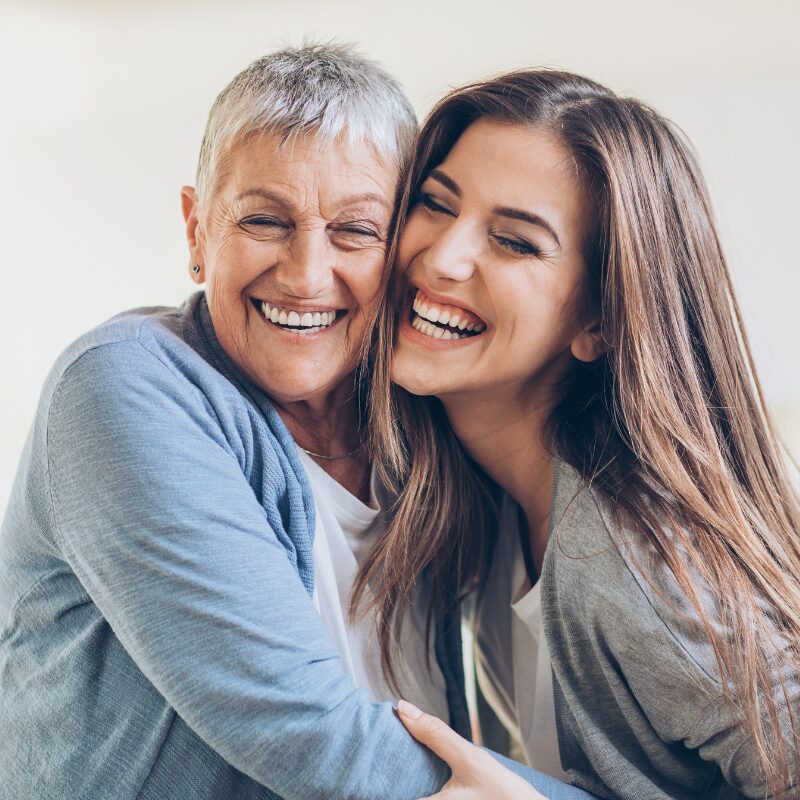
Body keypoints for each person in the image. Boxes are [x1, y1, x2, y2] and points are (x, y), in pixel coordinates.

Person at [0, 42, 467, 800]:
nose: (306, 274)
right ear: (196, 230)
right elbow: (316, 736)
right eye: (264, 220)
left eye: (354, 231)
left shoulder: (421, 429)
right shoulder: (122, 386)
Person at [358, 69, 800, 799]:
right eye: (436, 204)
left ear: (597, 320)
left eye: (515, 242)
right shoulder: (488, 506)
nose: (441, 257)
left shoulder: (633, 557)